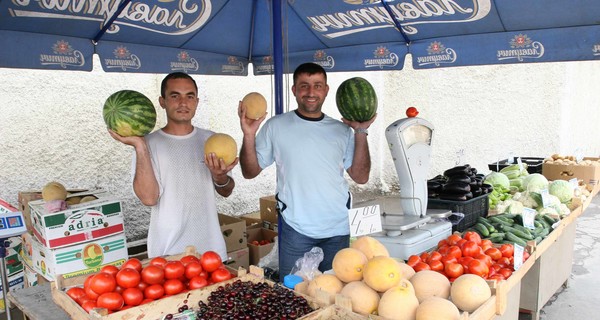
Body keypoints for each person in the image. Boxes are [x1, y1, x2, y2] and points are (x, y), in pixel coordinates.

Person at [238, 62, 376, 280]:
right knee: (294, 296)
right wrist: (248, 135)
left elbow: (361, 176)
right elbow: (249, 171)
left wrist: (361, 131)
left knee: (335, 292)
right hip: (296, 229)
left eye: (317, 85)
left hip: (337, 228)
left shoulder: (342, 131)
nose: (311, 92)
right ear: (294, 90)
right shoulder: (276, 126)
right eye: (304, 86)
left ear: (326, 90)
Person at [109, 72, 237, 260]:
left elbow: (227, 191)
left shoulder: (212, 139)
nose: (183, 103)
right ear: (162, 101)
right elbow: (149, 198)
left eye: (190, 96)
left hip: (211, 251)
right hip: (168, 253)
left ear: (197, 102)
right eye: (175, 96)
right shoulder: (147, 144)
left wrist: (220, 177)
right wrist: (140, 146)